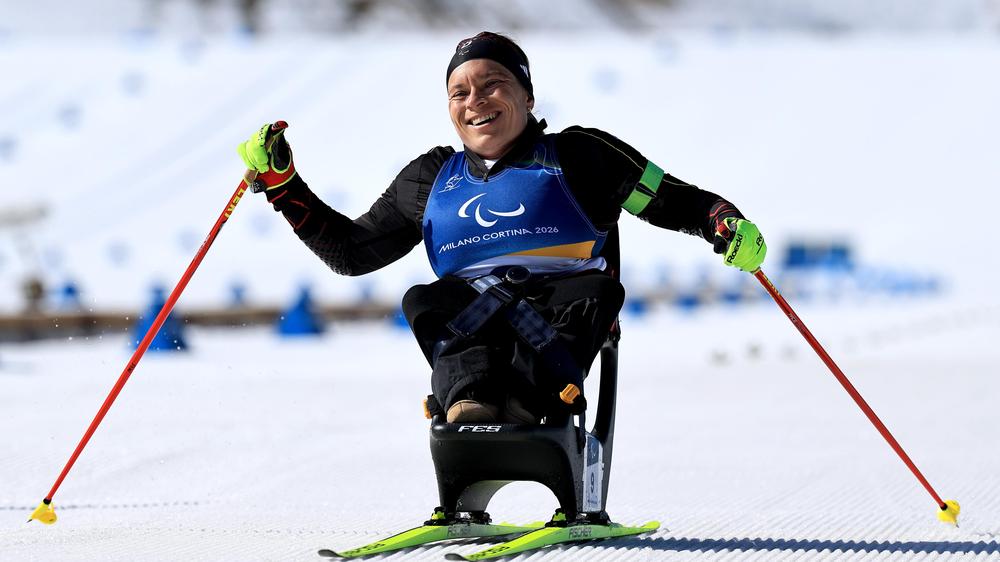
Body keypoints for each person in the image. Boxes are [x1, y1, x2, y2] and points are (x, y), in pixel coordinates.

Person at [237, 31, 766, 425]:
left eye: (494, 84)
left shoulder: (582, 155)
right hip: (471, 327)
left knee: (594, 289)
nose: (476, 101)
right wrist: (284, 185)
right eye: (460, 92)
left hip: (564, 320)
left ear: (529, 97)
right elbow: (351, 253)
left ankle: (521, 401)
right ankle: (473, 402)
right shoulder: (430, 178)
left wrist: (724, 223)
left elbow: (676, 201)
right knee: (425, 298)